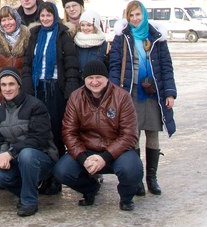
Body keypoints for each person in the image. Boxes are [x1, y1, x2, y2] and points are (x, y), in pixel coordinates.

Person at [54, 59, 143, 211]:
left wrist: (105, 157)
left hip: (117, 151)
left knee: (131, 169)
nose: (94, 82)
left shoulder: (122, 97)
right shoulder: (76, 97)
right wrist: (83, 158)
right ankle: (90, 188)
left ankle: (126, 197)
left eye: (98, 77)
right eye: (90, 78)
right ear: (84, 79)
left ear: (106, 78)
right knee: (62, 171)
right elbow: (69, 132)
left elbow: (129, 134)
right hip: (87, 149)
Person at [109, 0, 177, 195]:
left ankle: (152, 178)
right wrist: (115, 91)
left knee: (153, 133)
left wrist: (170, 92)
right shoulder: (122, 37)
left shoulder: (156, 37)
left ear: (144, 15)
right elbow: (115, 65)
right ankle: (137, 178)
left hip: (153, 92)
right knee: (133, 134)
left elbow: (166, 66)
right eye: (131, 15)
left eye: (138, 14)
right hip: (131, 91)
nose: (135, 19)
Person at [0, 68, 58, 217]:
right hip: (15, 159)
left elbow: (39, 138)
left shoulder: (35, 106)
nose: (7, 89)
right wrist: (2, 155)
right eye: (3, 85)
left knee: (26, 155)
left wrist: (11, 153)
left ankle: (29, 202)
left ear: (19, 85)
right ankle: (27, 192)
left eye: (11, 84)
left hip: (41, 157)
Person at [21, 1, 79, 164]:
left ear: (55, 16)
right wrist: (27, 86)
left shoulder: (63, 35)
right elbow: (27, 63)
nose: (45, 18)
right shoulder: (35, 35)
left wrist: (70, 92)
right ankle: (42, 164)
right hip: (37, 87)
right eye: (42, 15)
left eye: (49, 15)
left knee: (55, 127)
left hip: (55, 88)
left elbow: (71, 66)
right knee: (38, 127)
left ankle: (57, 166)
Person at [0, 5, 31, 103]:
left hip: (23, 94)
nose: (7, 23)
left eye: (10, 19)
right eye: (3, 20)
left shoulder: (28, 38)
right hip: (2, 95)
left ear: (17, 20)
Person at [74, 9, 109, 76]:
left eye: (89, 25)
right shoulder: (75, 42)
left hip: (96, 79)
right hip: (78, 79)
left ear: (95, 26)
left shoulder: (103, 44)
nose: (85, 28)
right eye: (82, 25)